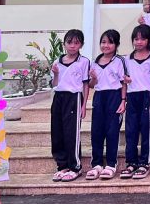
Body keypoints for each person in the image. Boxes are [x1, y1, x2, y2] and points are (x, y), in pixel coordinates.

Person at [85, 29, 127, 181]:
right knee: (96, 131)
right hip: (99, 97)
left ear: (116, 45)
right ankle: (96, 164)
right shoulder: (95, 62)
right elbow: (91, 85)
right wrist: (94, 79)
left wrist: (123, 100)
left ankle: (111, 164)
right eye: (103, 42)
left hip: (114, 97)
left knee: (112, 131)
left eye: (110, 42)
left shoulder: (119, 61)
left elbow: (124, 82)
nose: (106, 45)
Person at [49, 29, 90, 182]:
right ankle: (62, 165)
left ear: (81, 45)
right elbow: (54, 84)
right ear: (64, 44)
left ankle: (75, 167)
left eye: (76, 43)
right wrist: (56, 73)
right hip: (58, 97)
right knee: (57, 131)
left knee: (71, 133)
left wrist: (84, 105)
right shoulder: (57, 62)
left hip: (74, 97)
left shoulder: (83, 61)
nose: (72, 46)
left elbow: (85, 84)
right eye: (69, 42)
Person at [122, 25, 150, 180]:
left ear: (149, 40)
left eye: (143, 39)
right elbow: (124, 81)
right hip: (132, 95)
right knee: (131, 130)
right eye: (136, 39)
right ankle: (131, 162)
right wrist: (123, 99)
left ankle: (144, 162)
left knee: (146, 129)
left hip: (147, 95)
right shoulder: (127, 59)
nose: (139, 42)